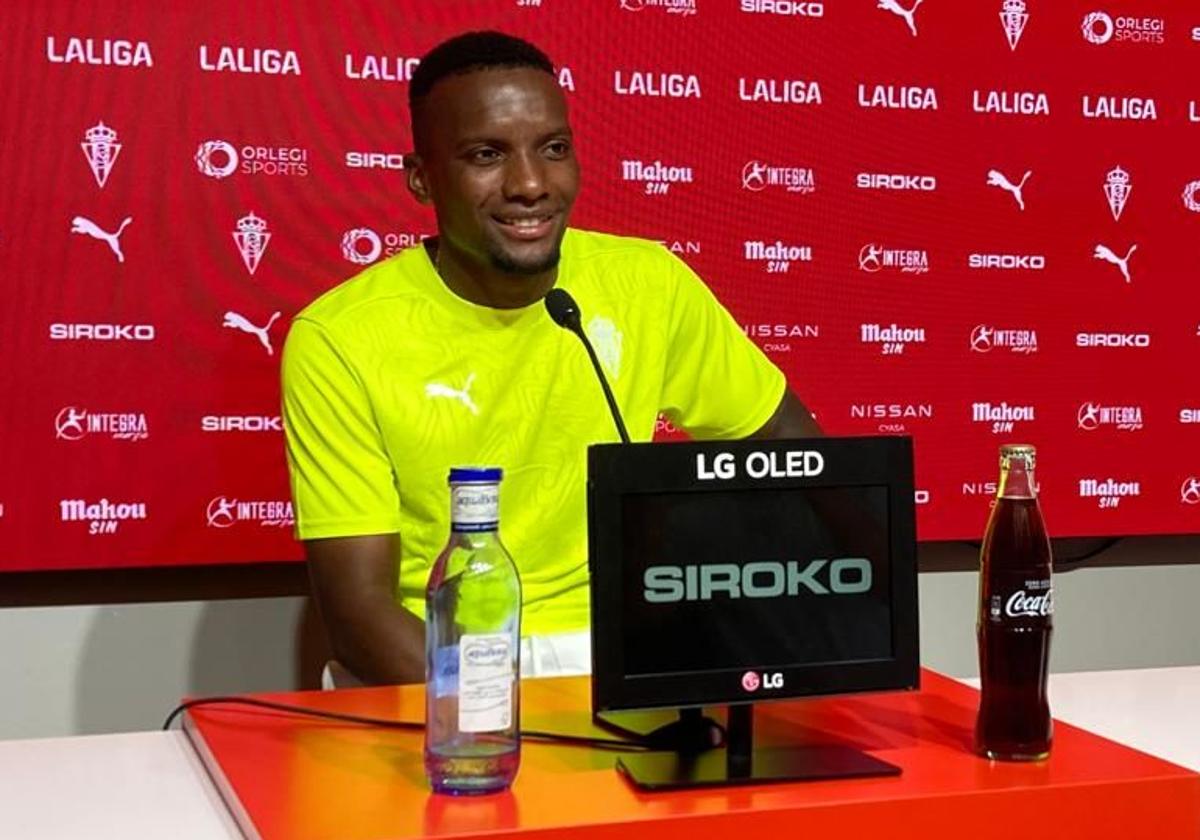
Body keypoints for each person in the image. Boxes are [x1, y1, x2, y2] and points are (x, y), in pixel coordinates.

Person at [281, 31, 820, 686]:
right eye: (487, 155)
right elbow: (360, 617)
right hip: (436, 661)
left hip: (627, 647)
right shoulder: (339, 337)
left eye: (554, 150)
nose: (531, 184)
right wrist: (505, 717)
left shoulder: (649, 282)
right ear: (421, 180)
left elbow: (797, 452)